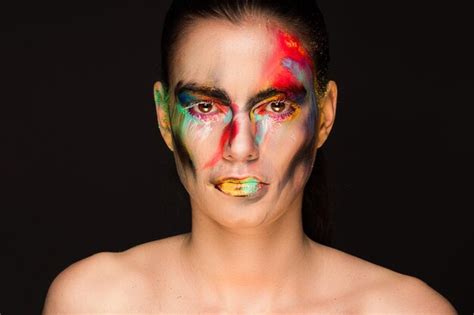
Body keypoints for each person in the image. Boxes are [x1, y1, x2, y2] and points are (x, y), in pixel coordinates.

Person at [43, 0, 457, 313]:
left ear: (325, 115)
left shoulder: (408, 310)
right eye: (205, 106)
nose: (240, 147)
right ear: (165, 118)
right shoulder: (95, 303)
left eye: (276, 106)